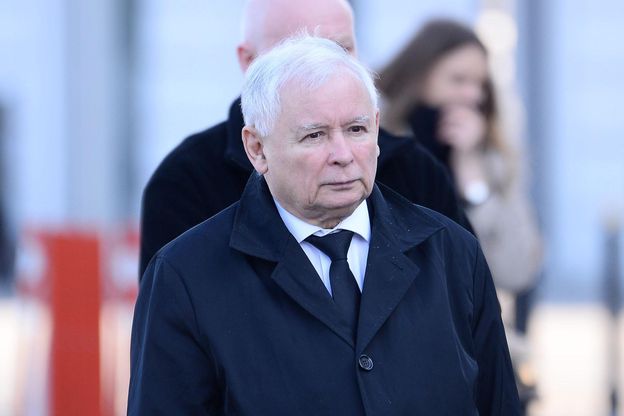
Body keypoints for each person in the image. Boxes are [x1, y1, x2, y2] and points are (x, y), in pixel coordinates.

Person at [128, 34, 520, 415]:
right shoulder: (186, 276)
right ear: (257, 148)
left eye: (356, 130)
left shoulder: (452, 253)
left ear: (377, 128)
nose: (343, 155)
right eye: (315, 135)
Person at [138, 0, 472, 278]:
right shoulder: (185, 181)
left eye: (340, 49)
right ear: (248, 60)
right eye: (298, 54)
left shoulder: (416, 172)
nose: (325, 68)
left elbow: (468, 314)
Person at [378, 18, 542, 312]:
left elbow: (516, 270)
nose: (473, 95)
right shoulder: (376, 145)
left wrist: (472, 175)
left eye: (480, 84)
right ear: (418, 75)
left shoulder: (492, 156)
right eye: (458, 79)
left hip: (462, 323)